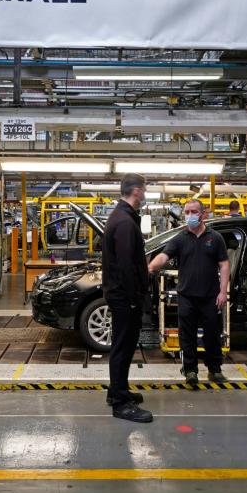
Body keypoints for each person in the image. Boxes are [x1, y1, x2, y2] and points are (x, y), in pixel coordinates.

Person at [148, 199, 230, 385]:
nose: (189, 216)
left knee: (212, 335)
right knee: (187, 336)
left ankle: (214, 370)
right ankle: (190, 370)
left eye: (194, 212)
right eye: (186, 212)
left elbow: (224, 264)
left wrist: (223, 292)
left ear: (203, 214)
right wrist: (150, 267)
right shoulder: (180, 238)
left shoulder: (215, 238)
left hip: (210, 296)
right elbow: (164, 255)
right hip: (186, 296)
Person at [102, 173, 152, 423]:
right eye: (144, 189)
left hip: (123, 296)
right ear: (136, 191)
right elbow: (125, 265)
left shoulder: (124, 217)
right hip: (125, 297)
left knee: (124, 346)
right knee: (122, 347)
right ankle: (121, 403)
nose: (145, 193)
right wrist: (134, 298)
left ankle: (117, 390)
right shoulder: (124, 222)